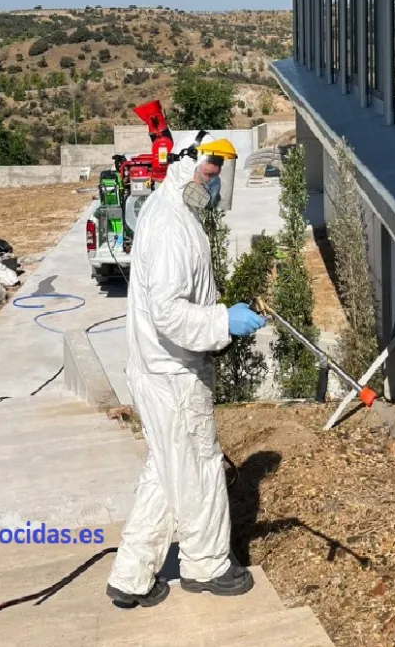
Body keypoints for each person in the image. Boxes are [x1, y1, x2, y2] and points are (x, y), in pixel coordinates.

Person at [106, 134, 266, 609]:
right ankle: (207, 565)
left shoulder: (173, 212)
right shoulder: (171, 226)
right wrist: (222, 321)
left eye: (221, 173)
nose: (215, 183)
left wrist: (218, 317)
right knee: (197, 467)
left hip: (163, 369)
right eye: (211, 170)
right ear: (188, 164)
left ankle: (131, 575)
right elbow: (168, 313)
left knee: (166, 471)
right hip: (172, 374)